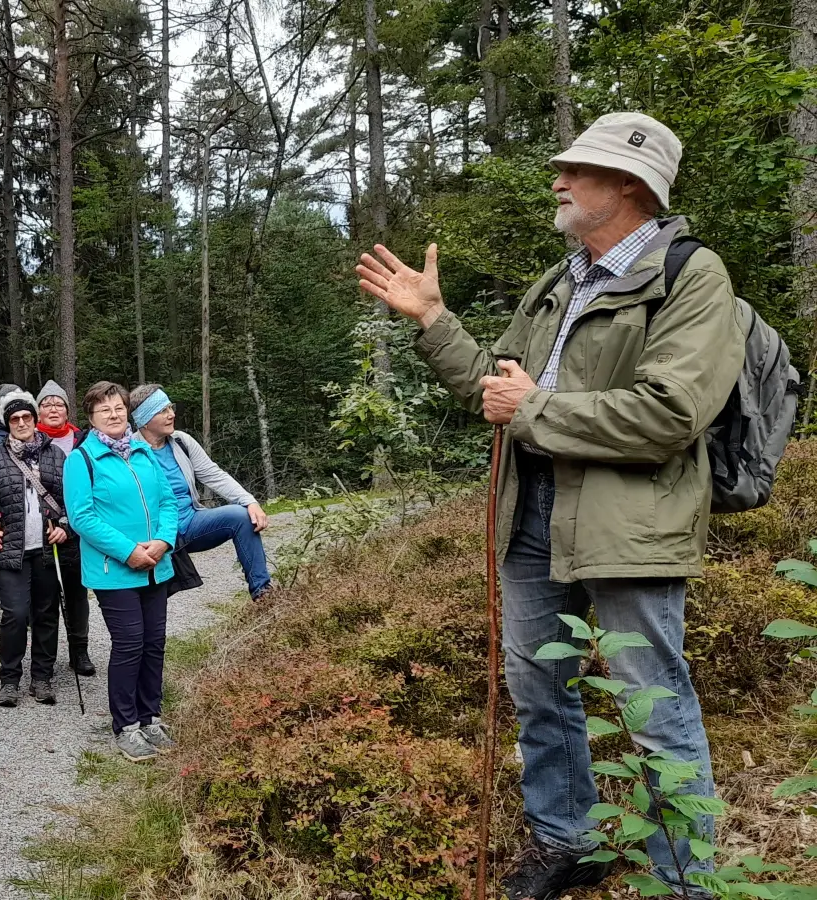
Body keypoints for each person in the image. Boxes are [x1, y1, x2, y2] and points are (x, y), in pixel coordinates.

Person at [355, 113, 734, 899]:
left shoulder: (691, 275)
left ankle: (683, 881)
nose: (558, 181)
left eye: (576, 170)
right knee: (539, 689)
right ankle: (568, 840)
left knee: (652, 702)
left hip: (630, 525)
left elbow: (670, 414)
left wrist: (532, 408)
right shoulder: (561, 281)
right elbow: (497, 394)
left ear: (628, 184)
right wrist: (432, 320)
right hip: (530, 515)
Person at [62, 381, 178, 762]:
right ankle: (126, 726)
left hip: (156, 566)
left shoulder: (144, 451)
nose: (113, 415)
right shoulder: (81, 460)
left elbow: (168, 502)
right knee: (130, 644)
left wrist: (163, 541)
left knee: (154, 643)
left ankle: (150, 718)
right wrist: (129, 551)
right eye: (104, 410)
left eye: (118, 408)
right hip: (115, 571)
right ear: (91, 417)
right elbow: (82, 518)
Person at [0, 389, 72, 707]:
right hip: (10, 550)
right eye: (15, 418)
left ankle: (42, 677)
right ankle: (9, 679)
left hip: (47, 549)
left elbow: (71, 499)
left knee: (46, 614)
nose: (22, 422)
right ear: (7, 423)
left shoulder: (55, 455)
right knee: (14, 614)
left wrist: (64, 526)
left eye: (27, 416)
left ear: (35, 419)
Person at [127, 383, 275, 602]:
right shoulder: (129, 451)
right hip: (157, 534)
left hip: (190, 523)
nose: (171, 414)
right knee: (151, 601)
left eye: (170, 407)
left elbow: (214, 475)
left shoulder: (181, 441)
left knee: (241, 516)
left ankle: (263, 595)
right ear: (144, 420)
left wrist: (249, 501)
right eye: (162, 411)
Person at [35, 380, 94, 676]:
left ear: (68, 411)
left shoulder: (84, 441)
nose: (53, 408)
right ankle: (44, 657)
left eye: (59, 404)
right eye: (47, 404)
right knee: (44, 598)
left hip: (77, 530)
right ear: (38, 412)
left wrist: (70, 525)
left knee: (76, 594)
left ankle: (79, 651)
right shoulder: (28, 442)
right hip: (41, 531)